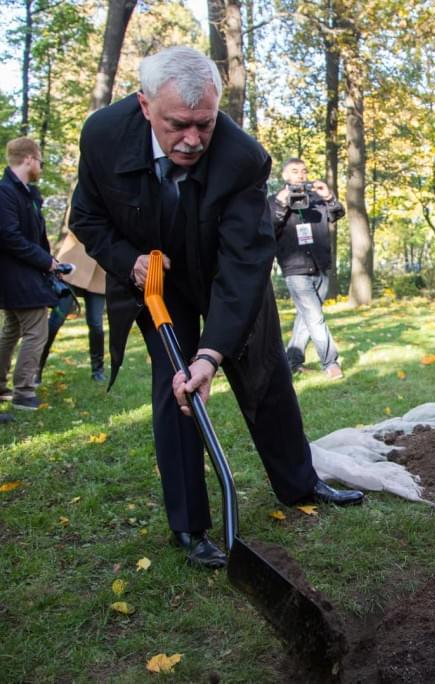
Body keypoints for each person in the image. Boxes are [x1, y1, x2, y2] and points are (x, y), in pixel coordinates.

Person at [70, 46, 363, 570]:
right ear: (144, 106)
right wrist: (128, 261)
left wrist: (213, 353)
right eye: (177, 125)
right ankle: (190, 526)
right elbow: (88, 220)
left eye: (203, 125)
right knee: (177, 387)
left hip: (222, 272)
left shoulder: (242, 158)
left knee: (266, 372)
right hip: (156, 278)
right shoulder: (102, 136)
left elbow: (246, 263)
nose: (192, 140)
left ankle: (300, 484)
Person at [271, 159, 346, 378]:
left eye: (304, 171)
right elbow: (268, 228)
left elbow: (337, 214)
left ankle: (292, 361)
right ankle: (330, 362)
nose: (300, 176)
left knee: (307, 316)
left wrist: (328, 196)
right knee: (315, 316)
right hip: (295, 269)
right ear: (285, 176)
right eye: (295, 172)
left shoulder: (316, 199)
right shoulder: (274, 201)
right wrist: (280, 204)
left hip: (321, 265)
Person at [0, 137, 58, 411]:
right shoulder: (6, 193)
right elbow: (9, 237)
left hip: (24, 272)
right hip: (16, 275)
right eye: (40, 161)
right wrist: (45, 261)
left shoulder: (25, 193)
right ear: (29, 159)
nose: (41, 167)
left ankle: (1, 385)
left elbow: (35, 236)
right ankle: (24, 391)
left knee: (11, 330)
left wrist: (50, 260)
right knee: (37, 329)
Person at [37, 230, 108, 383]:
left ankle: (98, 370)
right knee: (55, 321)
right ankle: (37, 368)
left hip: (100, 271)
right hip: (73, 267)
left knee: (96, 324)